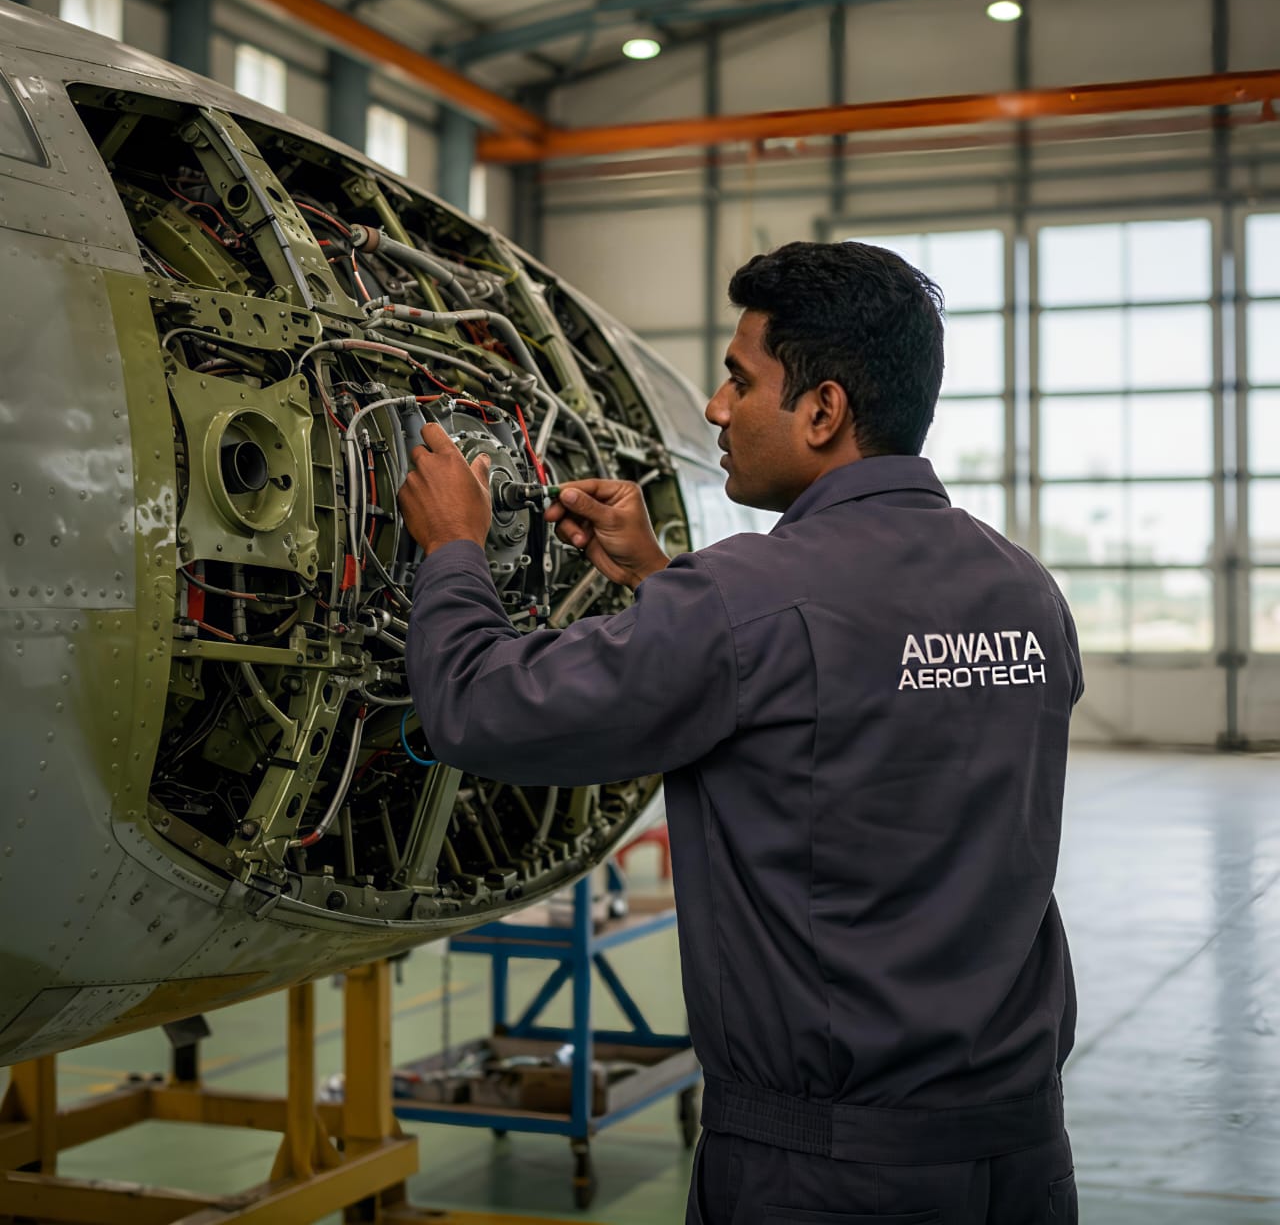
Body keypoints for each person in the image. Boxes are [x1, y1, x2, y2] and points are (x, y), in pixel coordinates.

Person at [398, 241, 1083, 1225]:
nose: (717, 409)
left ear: (823, 410)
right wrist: (662, 579)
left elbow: (477, 706)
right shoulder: (1025, 590)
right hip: (1020, 1158)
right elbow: (834, 675)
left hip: (824, 1176)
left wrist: (453, 549)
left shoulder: (740, 602)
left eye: (739, 379)